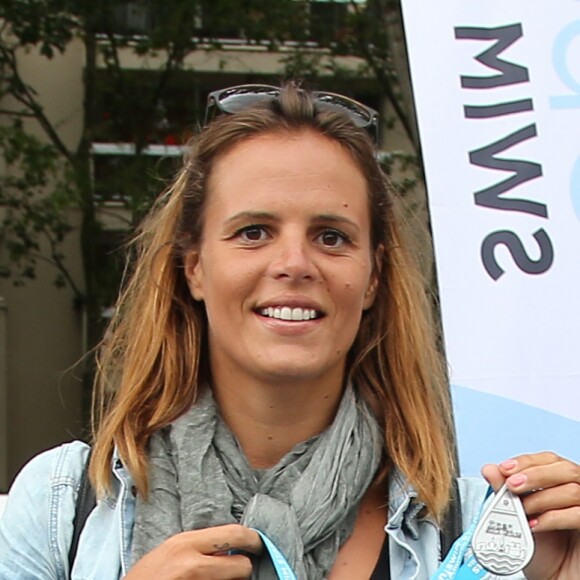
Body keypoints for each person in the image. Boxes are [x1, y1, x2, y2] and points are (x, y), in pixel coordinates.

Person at [0, 83, 579, 580]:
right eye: (253, 231)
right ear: (194, 267)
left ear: (373, 277)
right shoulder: (59, 506)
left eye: (332, 236)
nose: (295, 263)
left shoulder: (488, 539)